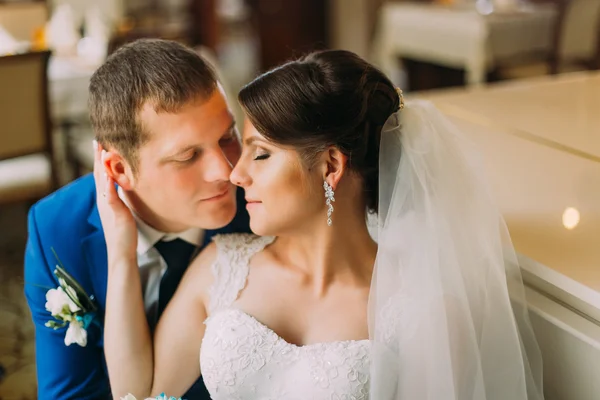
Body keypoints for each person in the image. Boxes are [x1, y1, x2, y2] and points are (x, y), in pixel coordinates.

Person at [95, 49, 545, 399]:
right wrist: (120, 251)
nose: (236, 173)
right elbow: (140, 394)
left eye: (261, 153)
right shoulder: (222, 267)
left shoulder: (425, 308)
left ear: (330, 165)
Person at [24, 39, 250, 400]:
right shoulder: (57, 227)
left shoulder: (262, 205)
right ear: (118, 169)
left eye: (227, 136)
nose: (226, 170)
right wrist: (121, 256)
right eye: (188, 155)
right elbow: (70, 392)